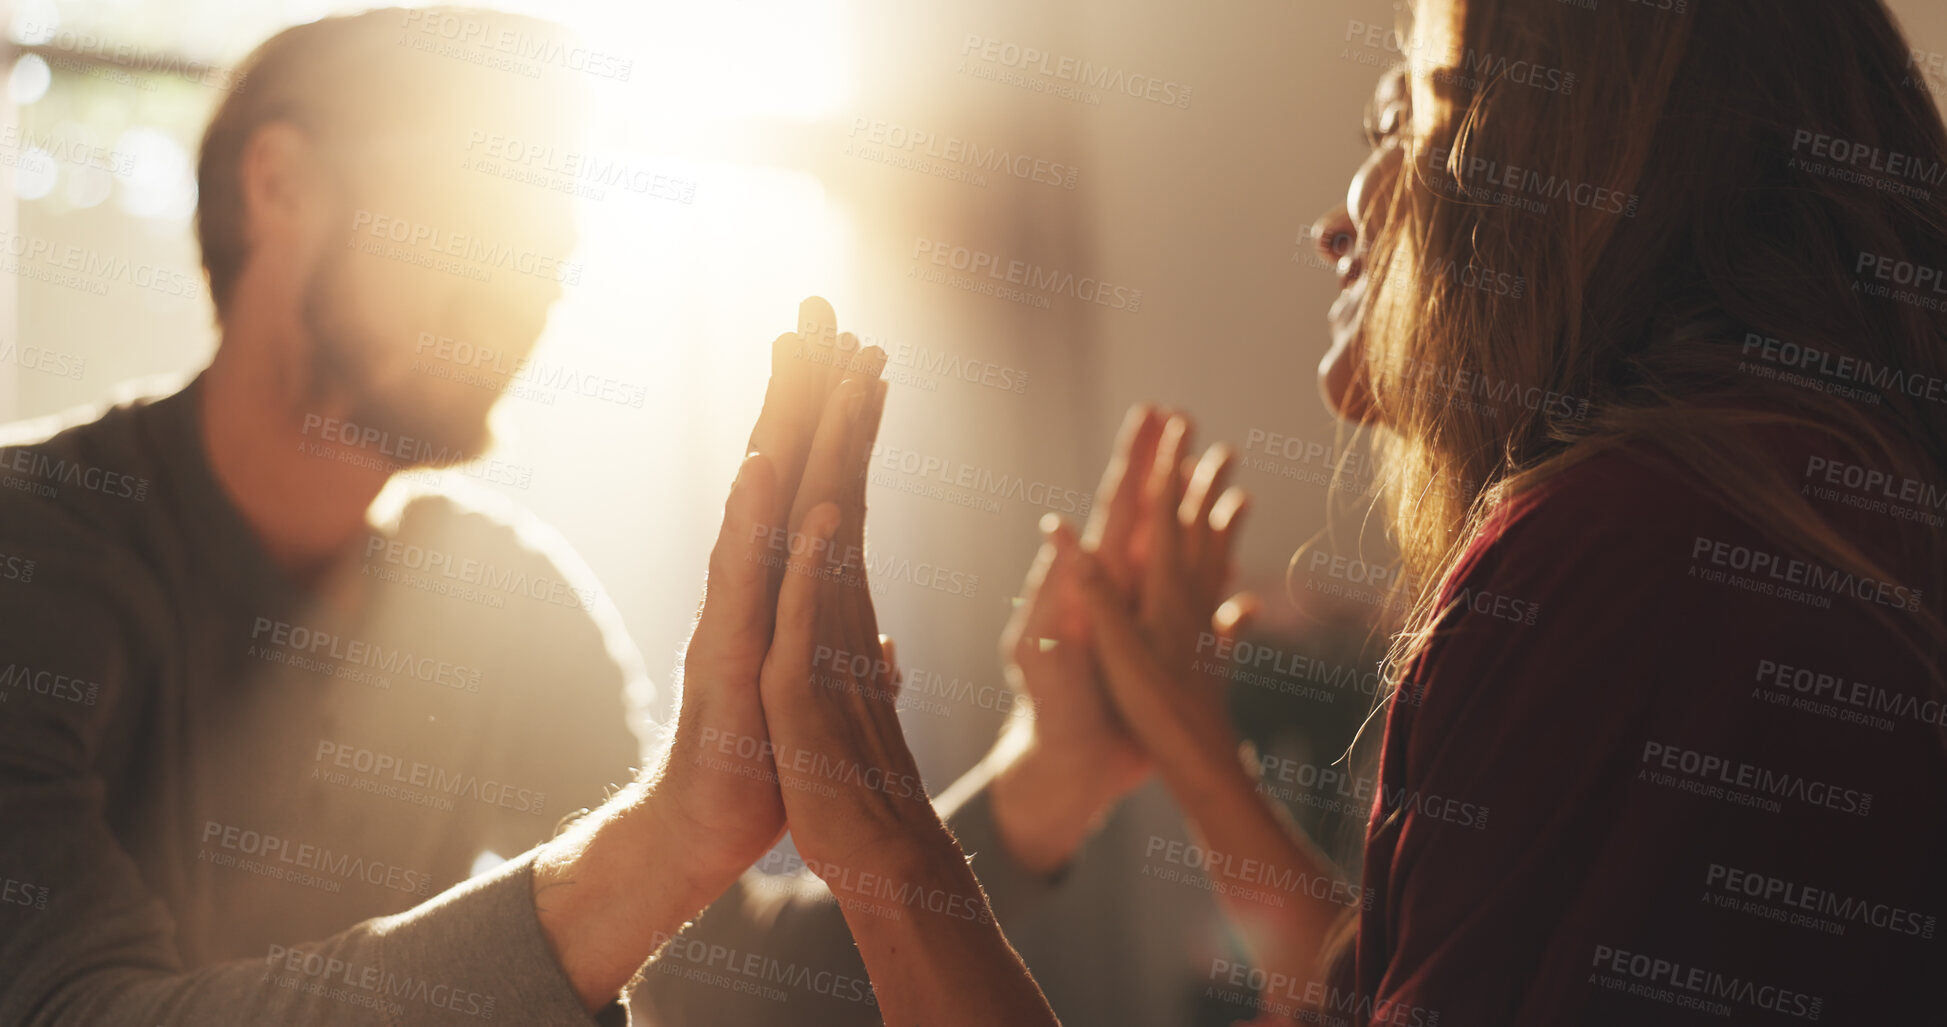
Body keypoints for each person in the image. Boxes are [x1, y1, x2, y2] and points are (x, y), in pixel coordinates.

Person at [0, 8, 1089, 1025]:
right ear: (279, 184)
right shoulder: (30, 547)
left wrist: (1053, 775)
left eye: (552, 241)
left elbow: (719, 986)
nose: (531, 283)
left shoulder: (492, 599)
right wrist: (661, 841)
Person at [1039, 1, 1947, 1024]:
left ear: (1584, 164)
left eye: (1405, 124)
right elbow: (1408, 977)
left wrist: (873, 817)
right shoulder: (1797, 492)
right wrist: (1190, 733)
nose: (1335, 226)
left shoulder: (1618, 547)